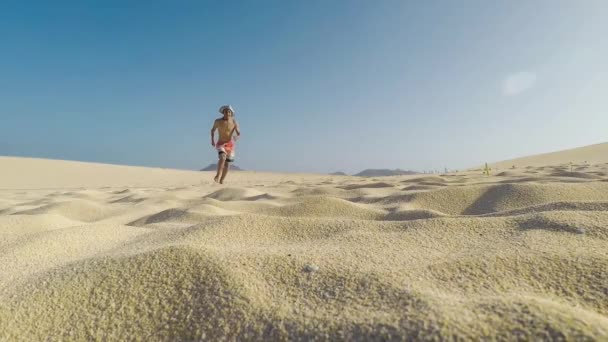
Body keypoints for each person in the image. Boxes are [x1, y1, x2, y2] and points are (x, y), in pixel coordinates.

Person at [210, 105, 240, 184]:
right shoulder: (218, 121)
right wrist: (212, 140)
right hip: (220, 143)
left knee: (228, 163)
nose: (227, 113)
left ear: (231, 114)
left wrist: (237, 136)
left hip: (230, 145)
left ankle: (222, 180)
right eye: (226, 111)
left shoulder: (234, 122)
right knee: (222, 157)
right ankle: (218, 175)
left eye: (229, 112)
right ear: (223, 113)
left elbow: (238, 132)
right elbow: (212, 130)